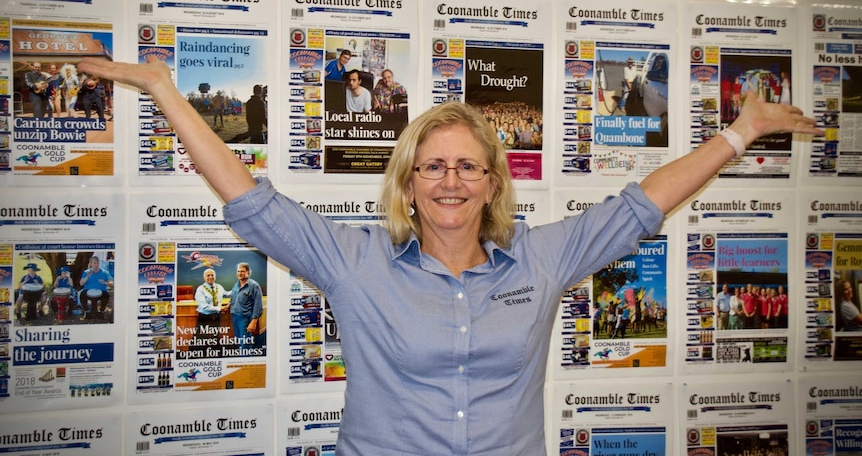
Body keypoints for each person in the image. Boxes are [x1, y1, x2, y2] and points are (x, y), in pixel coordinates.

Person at [77, 55, 820, 455]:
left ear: (492, 181)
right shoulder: (354, 260)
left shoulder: (541, 258)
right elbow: (250, 199)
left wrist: (741, 131)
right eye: (432, 166)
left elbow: (642, 204)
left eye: (467, 166)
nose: (450, 181)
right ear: (407, 182)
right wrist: (163, 92)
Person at [227, 262, 263, 351]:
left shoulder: (254, 285)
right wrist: (228, 305)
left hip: (245, 319)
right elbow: (233, 297)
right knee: (239, 342)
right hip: (235, 317)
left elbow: (258, 305)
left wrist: (253, 322)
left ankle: (246, 363)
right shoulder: (236, 284)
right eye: (238, 271)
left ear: (248, 272)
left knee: (245, 345)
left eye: (242, 271)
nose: (239, 273)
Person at [195, 268, 228, 341]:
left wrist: (238, 289)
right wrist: (220, 308)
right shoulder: (200, 289)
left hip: (216, 316)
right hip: (205, 317)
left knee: (215, 337)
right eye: (208, 275)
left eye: (212, 275)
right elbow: (204, 306)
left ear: (215, 276)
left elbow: (227, 294)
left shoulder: (219, 287)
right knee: (201, 339)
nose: (210, 277)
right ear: (204, 277)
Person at [79, 255, 113, 320]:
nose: (96, 265)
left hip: (101, 291)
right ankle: (86, 312)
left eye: (97, 263)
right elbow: (81, 283)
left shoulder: (105, 272)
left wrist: (105, 283)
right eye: (94, 263)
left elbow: (112, 283)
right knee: (82, 295)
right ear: (91, 264)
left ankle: (101, 312)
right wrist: (87, 277)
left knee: (106, 296)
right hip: (88, 291)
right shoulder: (86, 272)